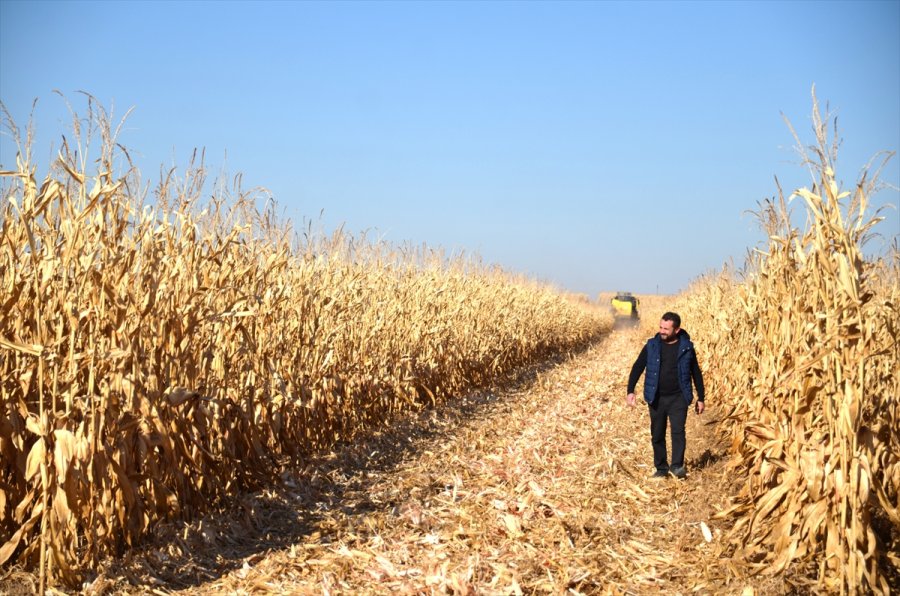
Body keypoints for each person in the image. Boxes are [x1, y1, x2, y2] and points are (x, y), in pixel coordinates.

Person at [626, 312, 705, 479]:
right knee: (657, 434)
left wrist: (701, 398)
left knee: (678, 432)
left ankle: (676, 467)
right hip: (656, 397)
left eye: (666, 329)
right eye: (661, 327)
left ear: (677, 330)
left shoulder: (686, 347)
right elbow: (638, 366)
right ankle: (661, 468)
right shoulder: (652, 345)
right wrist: (630, 390)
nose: (662, 331)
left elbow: (696, 372)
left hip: (679, 397)